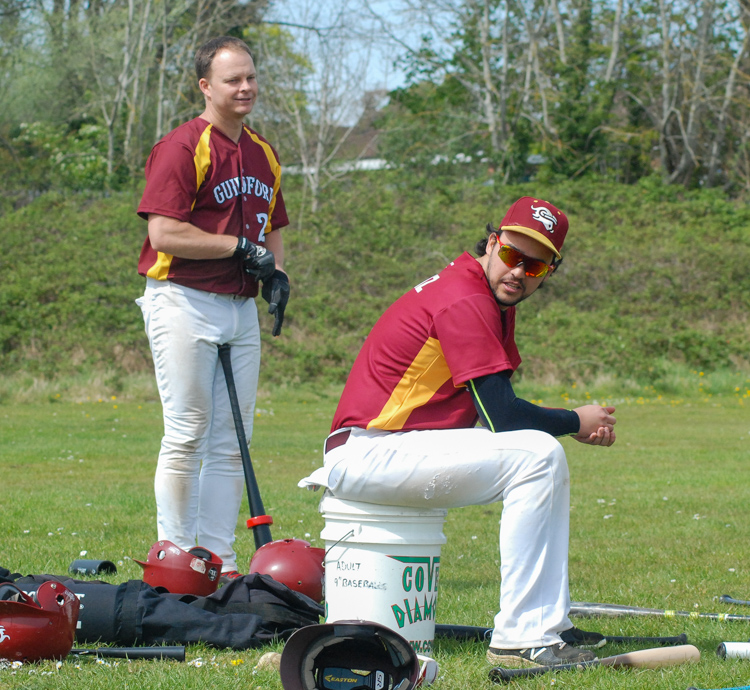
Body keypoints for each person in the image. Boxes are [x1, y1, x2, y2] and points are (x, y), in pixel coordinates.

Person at [299, 196, 617, 668]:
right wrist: (574, 421)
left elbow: (491, 410)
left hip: (389, 447)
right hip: (369, 452)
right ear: (492, 243)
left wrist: (567, 424)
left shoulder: (482, 291)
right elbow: (502, 415)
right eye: (511, 254)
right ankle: (524, 636)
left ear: (549, 271)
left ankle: (548, 623)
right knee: (538, 455)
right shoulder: (467, 297)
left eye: (535, 265)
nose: (518, 272)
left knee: (539, 454)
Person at [135, 36, 290, 580]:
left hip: (239, 308)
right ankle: (177, 560)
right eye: (232, 80)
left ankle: (220, 561)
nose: (245, 87)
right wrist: (237, 247)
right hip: (184, 299)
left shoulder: (263, 152)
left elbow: (272, 228)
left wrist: (277, 270)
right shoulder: (182, 146)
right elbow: (164, 233)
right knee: (187, 432)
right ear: (206, 86)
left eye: (250, 76)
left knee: (232, 440)